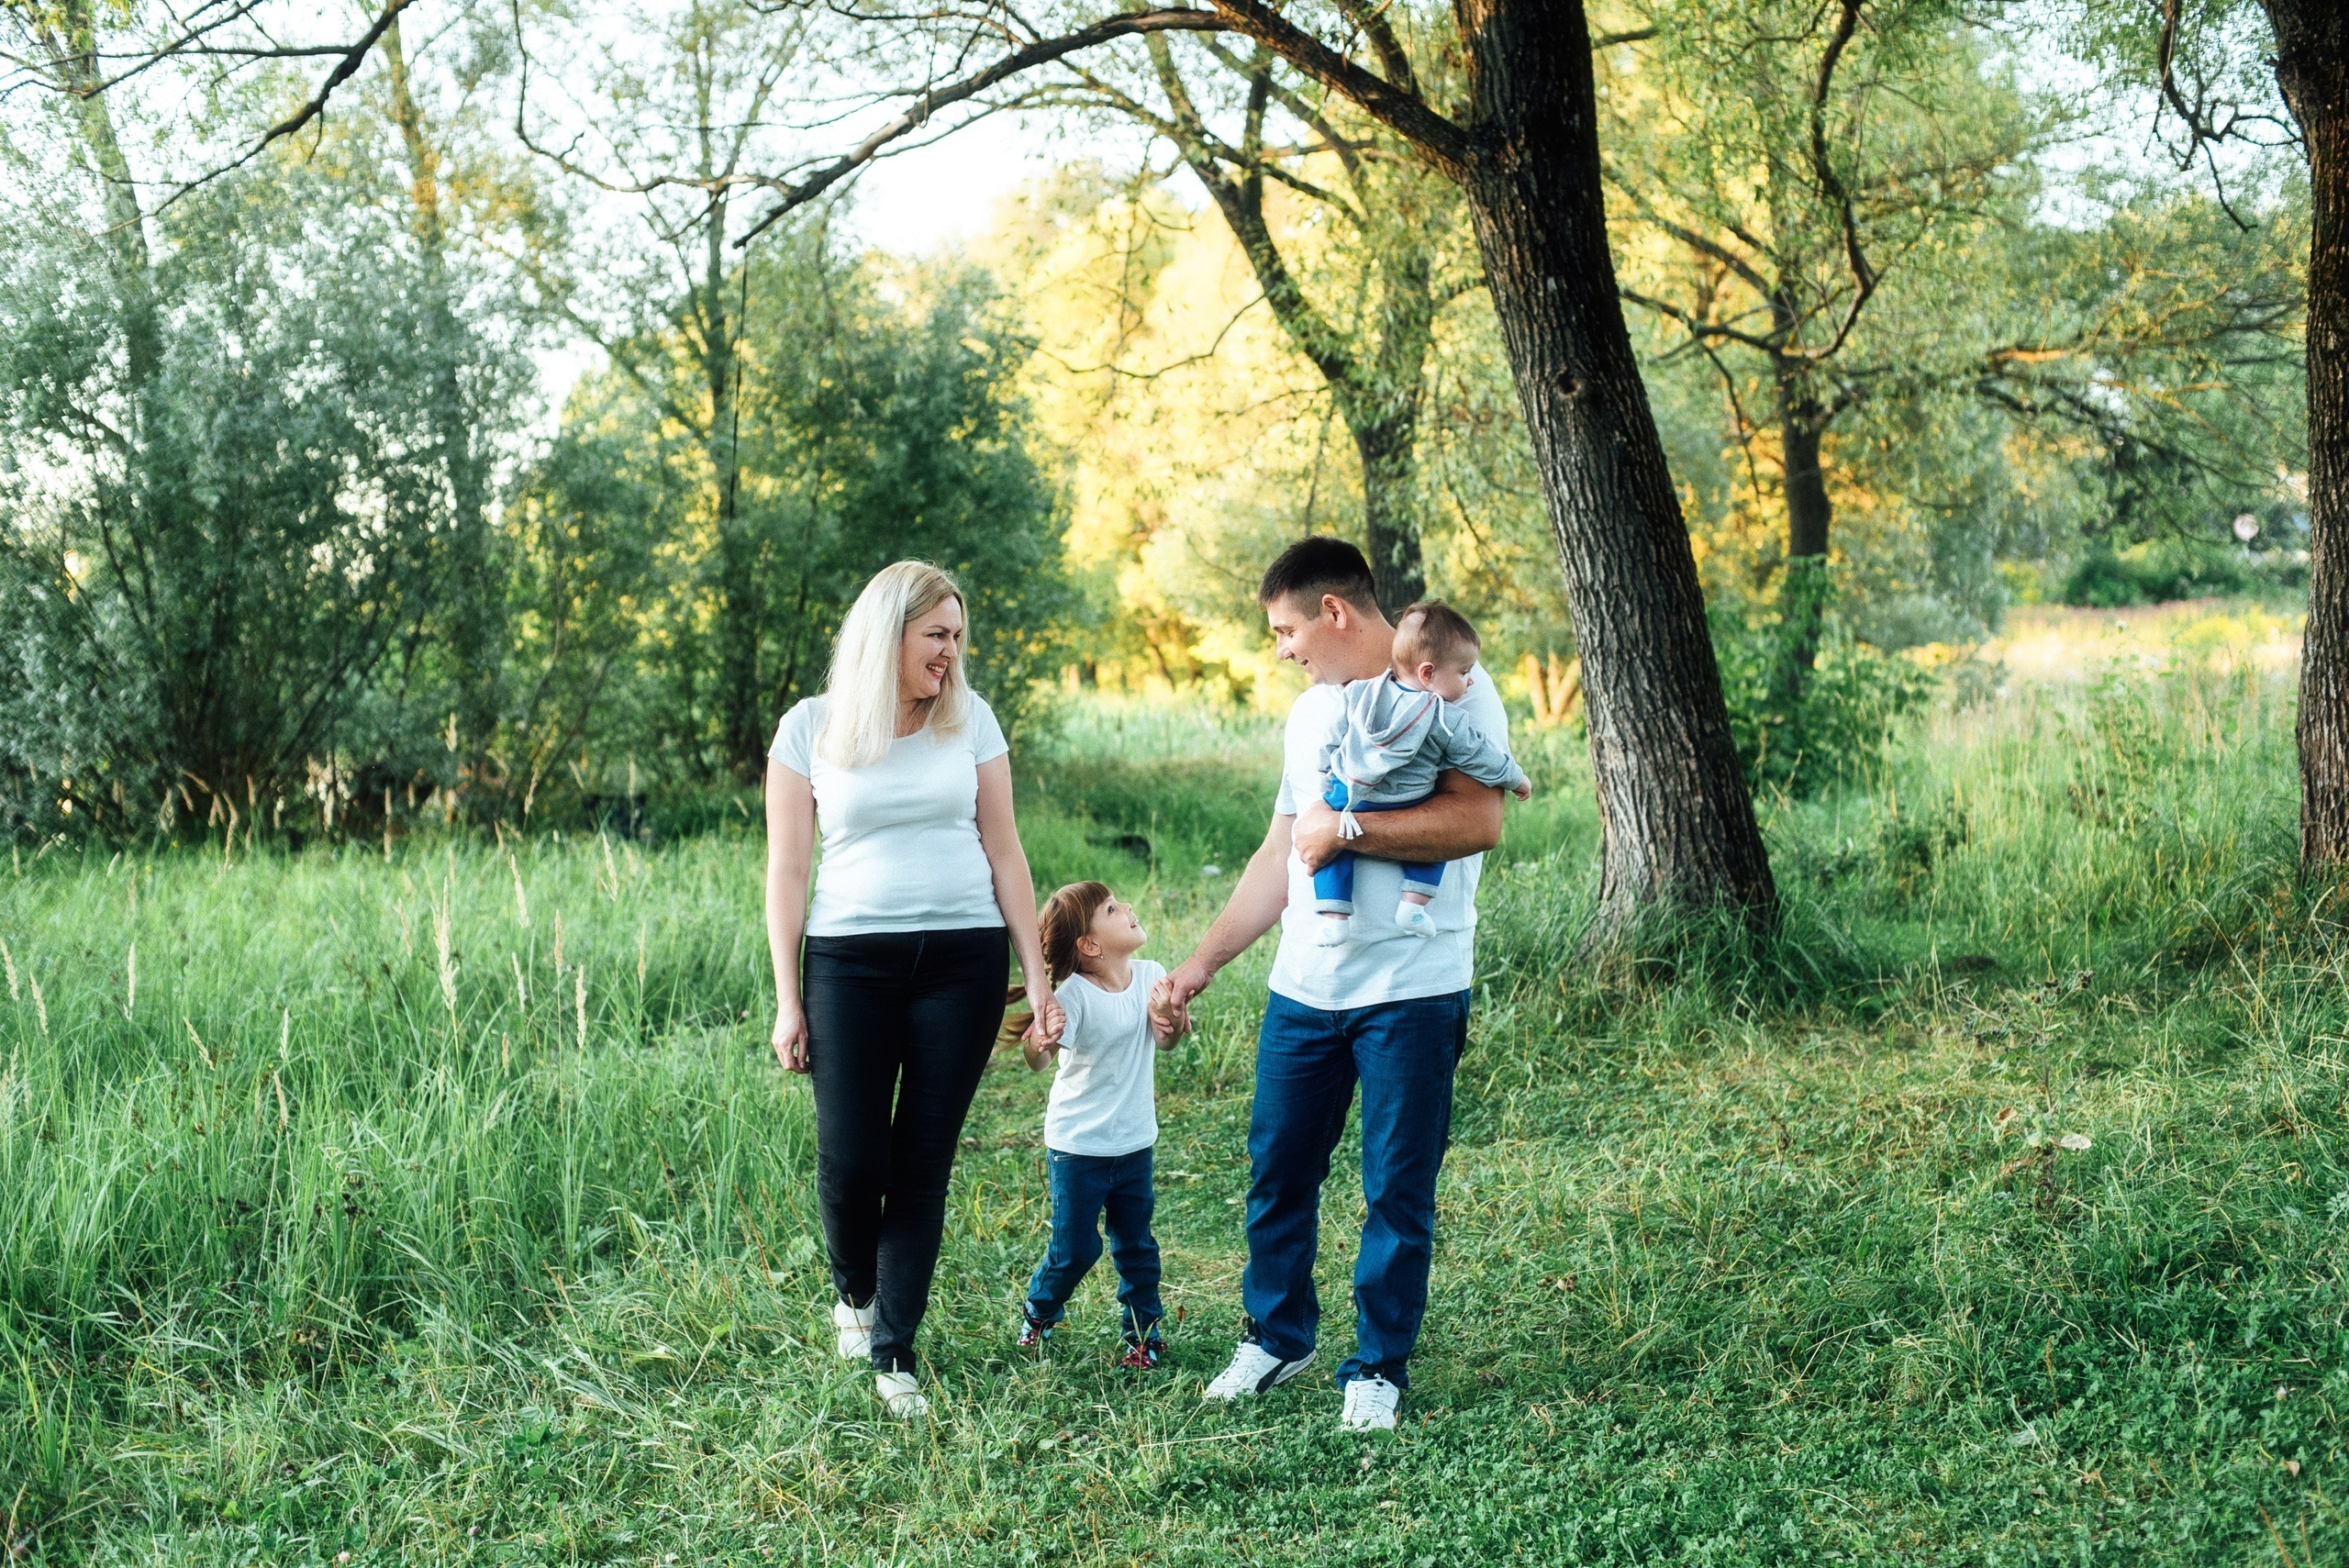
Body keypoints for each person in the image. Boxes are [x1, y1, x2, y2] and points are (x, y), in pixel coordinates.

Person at [1162, 537, 1513, 1433]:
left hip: (1412, 987)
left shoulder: (1453, 686)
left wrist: (1348, 829)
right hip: (1303, 990)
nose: (1280, 647)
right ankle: (1278, 1335)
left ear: (1333, 612)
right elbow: (1281, 851)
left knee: (1395, 1184)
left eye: (1284, 628)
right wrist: (1199, 965)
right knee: (1277, 1168)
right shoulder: (1308, 714)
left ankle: (1378, 1364)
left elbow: (1478, 818)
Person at [765, 560, 1065, 1419]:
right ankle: (855, 1291)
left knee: (923, 1163)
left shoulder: (970, 721)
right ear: (888, 631)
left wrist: (1038, 979)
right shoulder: (810, 728)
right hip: (848, 963)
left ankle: (894, 1345)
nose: (951, 652)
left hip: (961, 964)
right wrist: (790, 996)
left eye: (957, 636)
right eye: (937, 635)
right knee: (854, 1158)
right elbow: (787, 872)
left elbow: (1006, 852)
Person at [1016, 882, 1186, 1368]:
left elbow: (1166, 1041)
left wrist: (1169, 1017)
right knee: (1076, 1247)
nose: (1128, 907)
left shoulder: (1153, 977)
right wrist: (1038, 1040)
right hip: (1079, 1147)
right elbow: (1038, 1061)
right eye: (1112, 909)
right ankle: (1040, 1311)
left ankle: (1142, 1336)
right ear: (1089, 945)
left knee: (1136, 1245)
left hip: (1133, 1143)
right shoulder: (1075, 996)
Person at [1310, 601, 1531, 945]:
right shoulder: (1443, 716)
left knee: (1333, 852)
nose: (1471, 681)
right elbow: (1479, 756)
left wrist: (1327, 778)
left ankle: (1335, 918)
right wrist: (1516, 778)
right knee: (1436, 846)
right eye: (1463, 672)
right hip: (1405, 802)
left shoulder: (1358, 694)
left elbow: (1332, 741)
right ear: (1427, 674)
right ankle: (1413, 906)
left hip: (1349, 798)